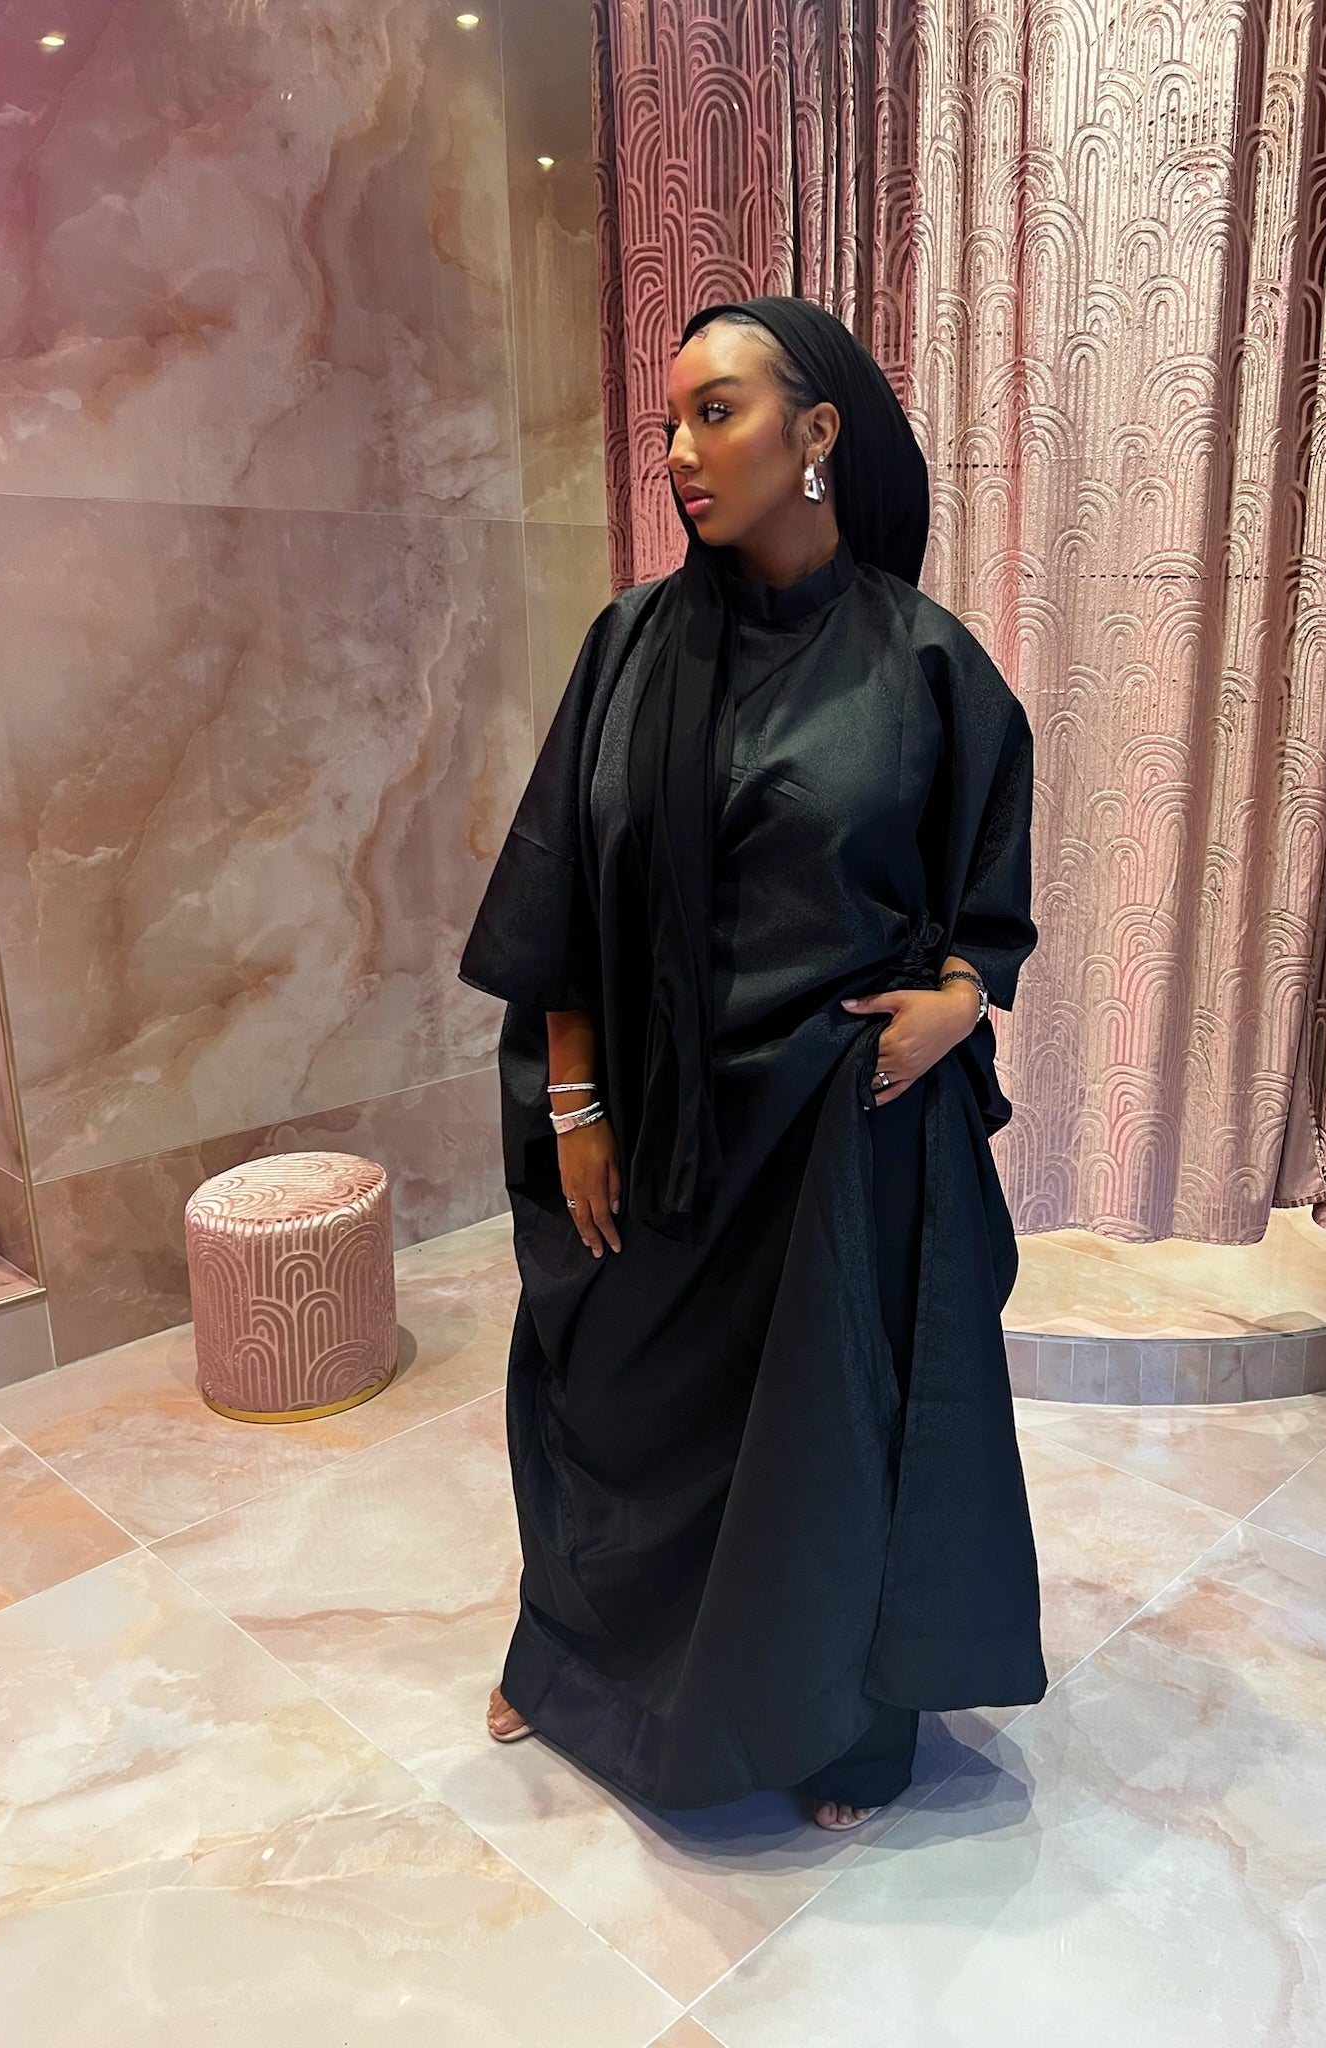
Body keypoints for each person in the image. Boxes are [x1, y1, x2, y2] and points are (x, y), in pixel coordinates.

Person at [459, 295, 1046, 1832]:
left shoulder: (925, 664)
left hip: (838, 1138)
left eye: (714, 411)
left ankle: (838, 1728)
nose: (678, 449)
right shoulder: (630, 646)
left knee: (828, 1452)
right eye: (669, 422)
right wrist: (575, 1104)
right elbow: (563, 889)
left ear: (816, 433)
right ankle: (578, 1665)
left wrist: (959, 1002)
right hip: (650, 1128)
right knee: (609, 1403)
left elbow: (985, 899)